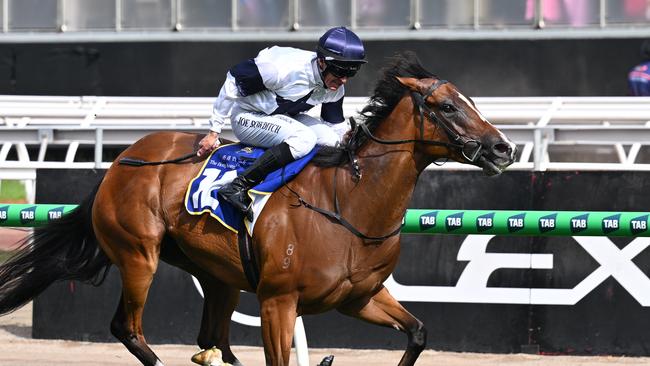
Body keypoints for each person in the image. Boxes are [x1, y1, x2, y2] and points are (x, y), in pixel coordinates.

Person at [196, 26, 367, 215]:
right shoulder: (281, 70)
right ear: (321, 62)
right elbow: (233, 80)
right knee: (304, 138)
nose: (344, 80)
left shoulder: (335, 88)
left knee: (331, 140)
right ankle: (238, 186)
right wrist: (214, 132)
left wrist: (350, 141)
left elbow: (334, 125)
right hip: (247, 117)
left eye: (350, 73)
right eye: (340, 72)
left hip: (283, 117)